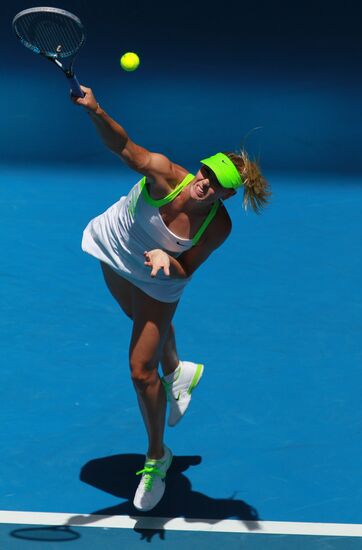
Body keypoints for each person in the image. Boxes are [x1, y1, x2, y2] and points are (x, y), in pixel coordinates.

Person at [72, 85, 271, 512]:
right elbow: (123, 146)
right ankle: (179, 369)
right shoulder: (164, 173)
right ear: (200, 169)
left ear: (227, 195)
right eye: (206, 173)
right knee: (137, 320)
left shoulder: (217, 228)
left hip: (161, 277)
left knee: (141, 371)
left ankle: (156, 456)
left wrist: (167, 256)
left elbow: (187, 270)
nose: (206, 184)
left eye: (218, 185)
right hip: (113, 247)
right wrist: (95, 109)